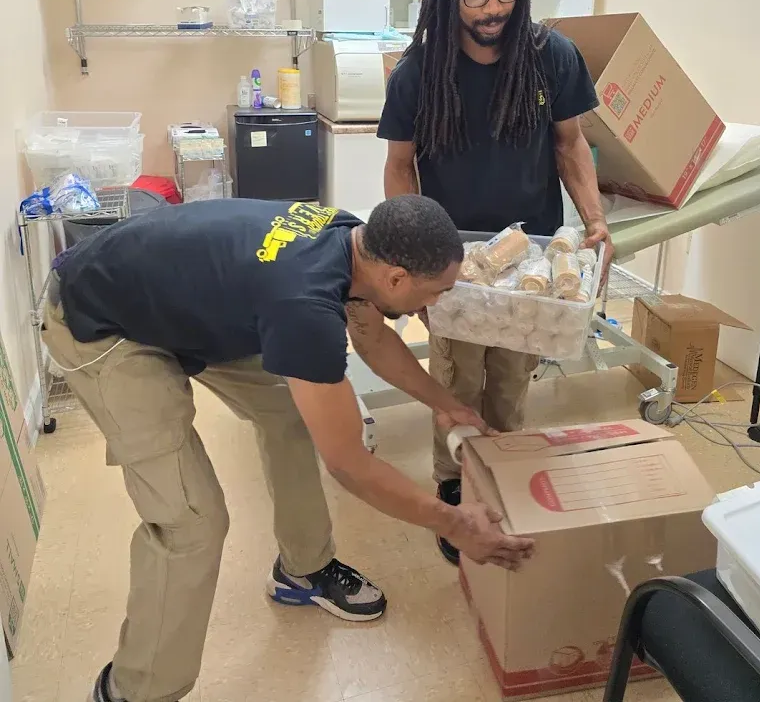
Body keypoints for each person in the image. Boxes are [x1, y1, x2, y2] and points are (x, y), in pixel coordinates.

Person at [41, 194, 534, 702]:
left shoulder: (352, 237)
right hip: (100, 321)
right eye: (436, 293)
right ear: (395, 279)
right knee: (192, 524)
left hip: (182, 302)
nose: (435, 306)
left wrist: (445, 404)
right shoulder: (303, 305)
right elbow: (347, 462)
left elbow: (373, 339)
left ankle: (303, 569)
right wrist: (452, 522)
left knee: (291, 414)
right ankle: (132, 691)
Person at [378, 0, 612, 565]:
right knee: (456, 380)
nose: (493, 8)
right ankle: (455, 498)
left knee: (510, 383)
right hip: (451, 262)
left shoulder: (551, 56)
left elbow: (570, 145)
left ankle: (503, 482)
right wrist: (410, 253)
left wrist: (594, 220)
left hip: (531, 259)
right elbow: (400, 166)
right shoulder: (420, 72)